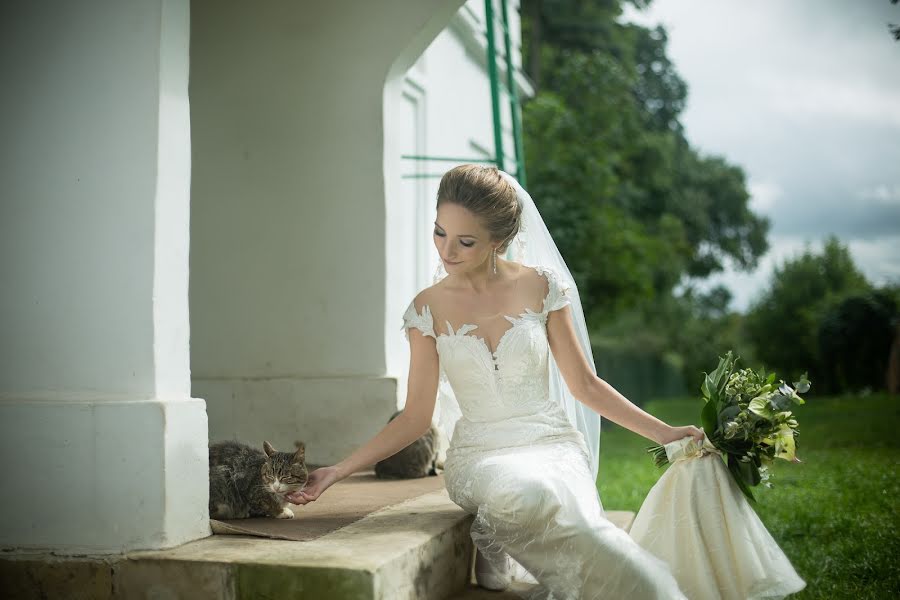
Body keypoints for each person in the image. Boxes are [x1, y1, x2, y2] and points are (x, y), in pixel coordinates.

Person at [287, 164, 701, 599]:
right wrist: (338, 470)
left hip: (553, 443)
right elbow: (414, 417)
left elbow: (585, 385)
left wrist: (667, 433)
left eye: (465, 241)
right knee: (526, 492)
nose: (446, 251)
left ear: (499, 241)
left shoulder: (542, 287)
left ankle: (641, 590)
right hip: (482, 454)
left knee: (571, 509)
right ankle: (628, 585)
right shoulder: (426, 309)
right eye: (439, 232)